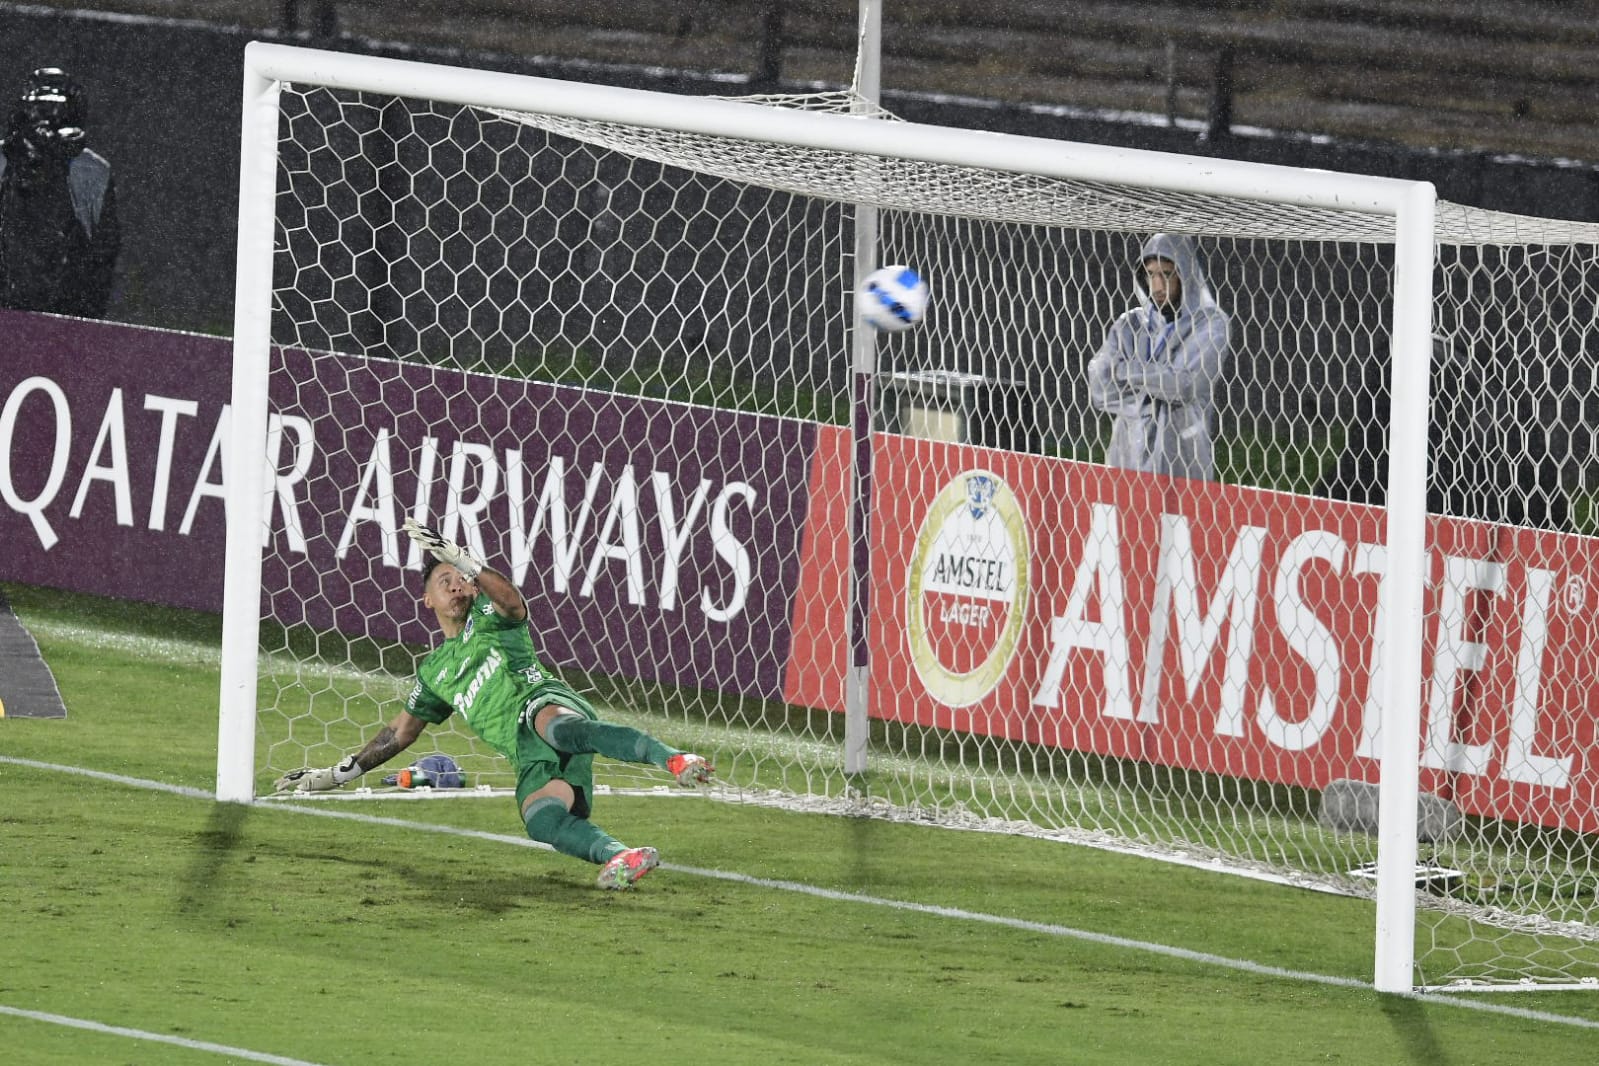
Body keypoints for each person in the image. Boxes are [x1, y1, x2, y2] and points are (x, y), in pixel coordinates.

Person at [275, 519, 715, 890]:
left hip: (542, 703)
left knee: (559, 728)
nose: (455, 586)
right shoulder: (434, 672)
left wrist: (470, 563)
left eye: (459, 578)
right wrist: (340, 773)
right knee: (540, 820)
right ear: (428, 600)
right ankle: (622, 856)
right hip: (526, 755)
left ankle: (675, 760)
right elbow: (400, 732)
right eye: (443, 582)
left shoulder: (490, 616)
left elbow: (511, 600)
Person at [1086, 233, 1231, 479]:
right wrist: (1158, 383)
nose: (1157, 286)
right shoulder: (1129, 324)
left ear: (1186, 273)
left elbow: (1184, 384)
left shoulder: (1210, 325)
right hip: (1128, 458)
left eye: (1166, 273)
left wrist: (1125, 372)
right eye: (1151, 274)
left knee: (1182, 516)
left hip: (1182, 460)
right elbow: (1099, 388)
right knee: (1127, 514)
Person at [0, 67, 120, 317]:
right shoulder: (94, 171)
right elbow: (103, 253)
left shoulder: (93, 171)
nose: (47, 121)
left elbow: (102, 253)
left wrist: (85, 317)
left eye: (55, 111)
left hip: (65, 314)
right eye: (39, 109)